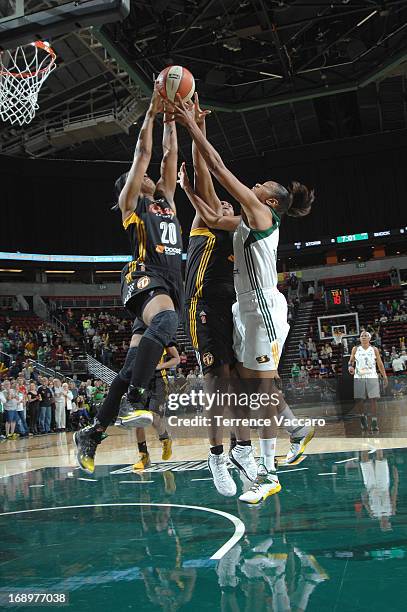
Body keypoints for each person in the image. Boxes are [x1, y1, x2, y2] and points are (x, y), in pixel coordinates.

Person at [174, 96, 315, 504]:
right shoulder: (246, 219)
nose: (253, 187)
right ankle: (282, 436)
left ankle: (268, 469)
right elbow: (214, 216)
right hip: (246, 310)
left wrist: (193, 127)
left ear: (269, 201)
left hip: (262, 311)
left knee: (257, 392)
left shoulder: (261, 214)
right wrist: (188, 191)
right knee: (250, 390)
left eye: (259, 187)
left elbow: (218, 169)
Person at [74, 85, 182, 474]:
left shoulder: (166, 200)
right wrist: (152, 113)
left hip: (169, 283)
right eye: (138, 179)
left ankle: (92, 434)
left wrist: (172, 117)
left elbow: (169, 155)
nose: (149, 177)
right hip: (144, 276)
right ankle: (137, 396)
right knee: (168, 323)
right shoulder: (131, 206)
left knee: (129, 365)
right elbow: (145, 154)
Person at [183, 97, 247, 497]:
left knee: (237, 383)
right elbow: (204, 167)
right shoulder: (204, 222)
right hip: (203, 305)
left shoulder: (236, 225)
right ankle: (217, 455)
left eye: (227, 202)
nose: (222, 202)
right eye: (218, 201)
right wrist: (198, 127)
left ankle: (242, 447)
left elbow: (220, 202)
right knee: (216, 384)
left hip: (231, 307)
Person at [348, 331, 388, 433]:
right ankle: (362, 418)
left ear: (369, 338)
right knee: (360, 400)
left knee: (373, 399)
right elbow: (351, 361)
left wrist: (385, 376)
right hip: (359, 376)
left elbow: (379, 363)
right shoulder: (355, 349)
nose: (364, 337)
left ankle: (374, 422)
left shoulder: (374, 349)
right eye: (362, 336)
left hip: (372, 376)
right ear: (360, 339)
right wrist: (350, 367)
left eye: (366, 336)